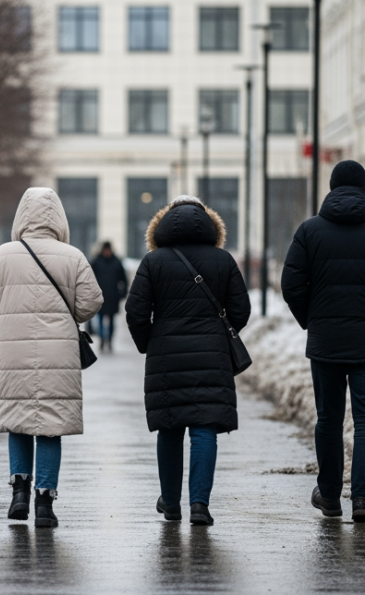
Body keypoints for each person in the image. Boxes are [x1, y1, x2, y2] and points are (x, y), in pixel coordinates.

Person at [281, 160, 365, 523]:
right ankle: (362, 499)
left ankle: (329, 496)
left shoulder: (309, 231)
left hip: (326, 341)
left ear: (331, 187)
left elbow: (291, 284)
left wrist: (312, 319)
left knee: (328, 419)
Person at [0, 187, 104, 528]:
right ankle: (45, 502)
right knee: (50, 427)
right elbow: (91, 303)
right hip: (58, 352)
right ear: (59, 219)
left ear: (21, 217)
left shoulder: (3, 254)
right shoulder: (73, 256)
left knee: (18, 420)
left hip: (13, 351)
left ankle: (19, 491)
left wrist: (12, 304)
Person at [124, 196, 249, 526]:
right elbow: (241, 310)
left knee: (170, 426)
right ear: (210, 225)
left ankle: (170, 502)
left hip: (165, 355)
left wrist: (148, 342)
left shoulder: (153, 262)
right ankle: (199, 505)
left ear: (162, 225)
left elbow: (135, 312)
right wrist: (221, 335)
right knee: (204, 427)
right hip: (212, 355)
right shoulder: (223, 260)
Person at [90, 242, 128, 352]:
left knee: (111, 321)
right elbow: (89, 279)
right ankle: (102, 339)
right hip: (100, 297)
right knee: (101, 319)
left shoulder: (116, 262)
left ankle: (109, 340)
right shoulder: (96, 261)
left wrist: (122, 294)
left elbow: (123, 279)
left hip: (112, 297)